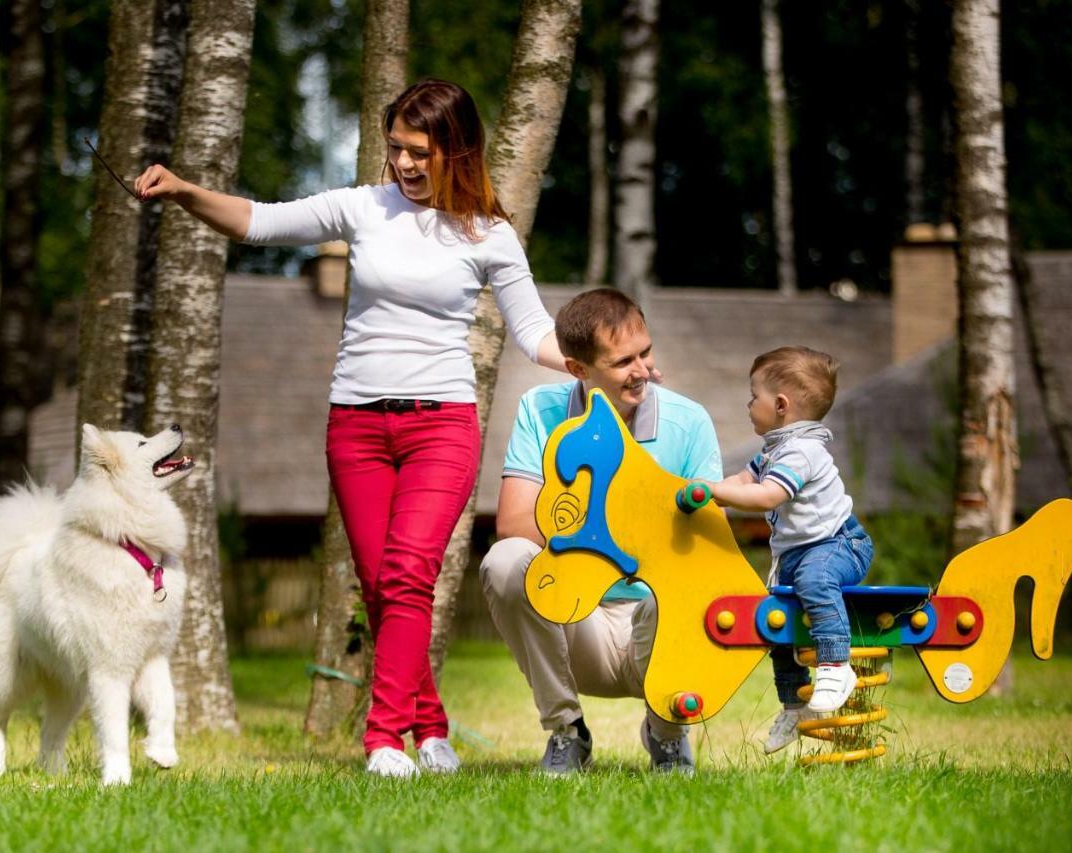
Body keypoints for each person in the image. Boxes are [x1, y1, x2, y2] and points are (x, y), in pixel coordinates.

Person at [134, 79, 570, 778]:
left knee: (405, 574)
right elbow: (260, 221)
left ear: (455, 149)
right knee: (380, 586)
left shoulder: (488, 235)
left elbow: (534, 333)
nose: (402, 163)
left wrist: (596, 363)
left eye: (418, 151)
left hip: (442, 428)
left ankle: (383, 739)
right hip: (357, 429)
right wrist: (186, 191)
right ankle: (430, 727)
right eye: (395, 147)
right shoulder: (364, 208)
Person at [479, 288, 722, 775]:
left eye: (645, 353)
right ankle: (567, 732)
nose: (642, 371)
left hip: (656, 617)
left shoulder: (688, 420)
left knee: (687, 589)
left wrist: (581, 522)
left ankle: (667, 734)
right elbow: (513, 524)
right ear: (579, 370)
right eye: (622, 362)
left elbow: (706, 542)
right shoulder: (540, 410)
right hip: (576, 618)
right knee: (503, 562)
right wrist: (633, 523)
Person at [700, 346, 874, 755]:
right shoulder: (775, 450)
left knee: (815, 579)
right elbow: (743, 480)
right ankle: (794, 705)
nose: (747, 405)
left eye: (752, 397)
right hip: (798, 555)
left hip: (838, 546)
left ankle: (835, 665)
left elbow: (765, 497)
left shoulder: (803, 451)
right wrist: (705, 490)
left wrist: (714, 493)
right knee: (777, 621)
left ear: (780, 405)